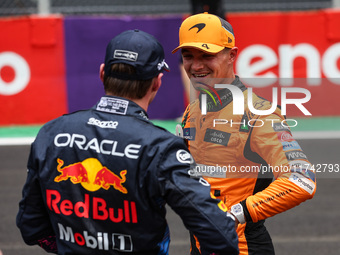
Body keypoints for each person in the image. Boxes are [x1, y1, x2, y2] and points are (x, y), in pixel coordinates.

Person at [16, 29, 239, 255]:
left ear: (103, 74)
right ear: (156, 83)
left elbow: (32, 227)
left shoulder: (51, 133)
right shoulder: (161, 147)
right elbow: (221, 235)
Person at [172, 13, 317, 255]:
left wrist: (236, 214)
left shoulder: (259, 114)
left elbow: (302, 180)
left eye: (207, 55)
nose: (196, 66)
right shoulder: (193, 109)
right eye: (189, 56)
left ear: (232, 55)